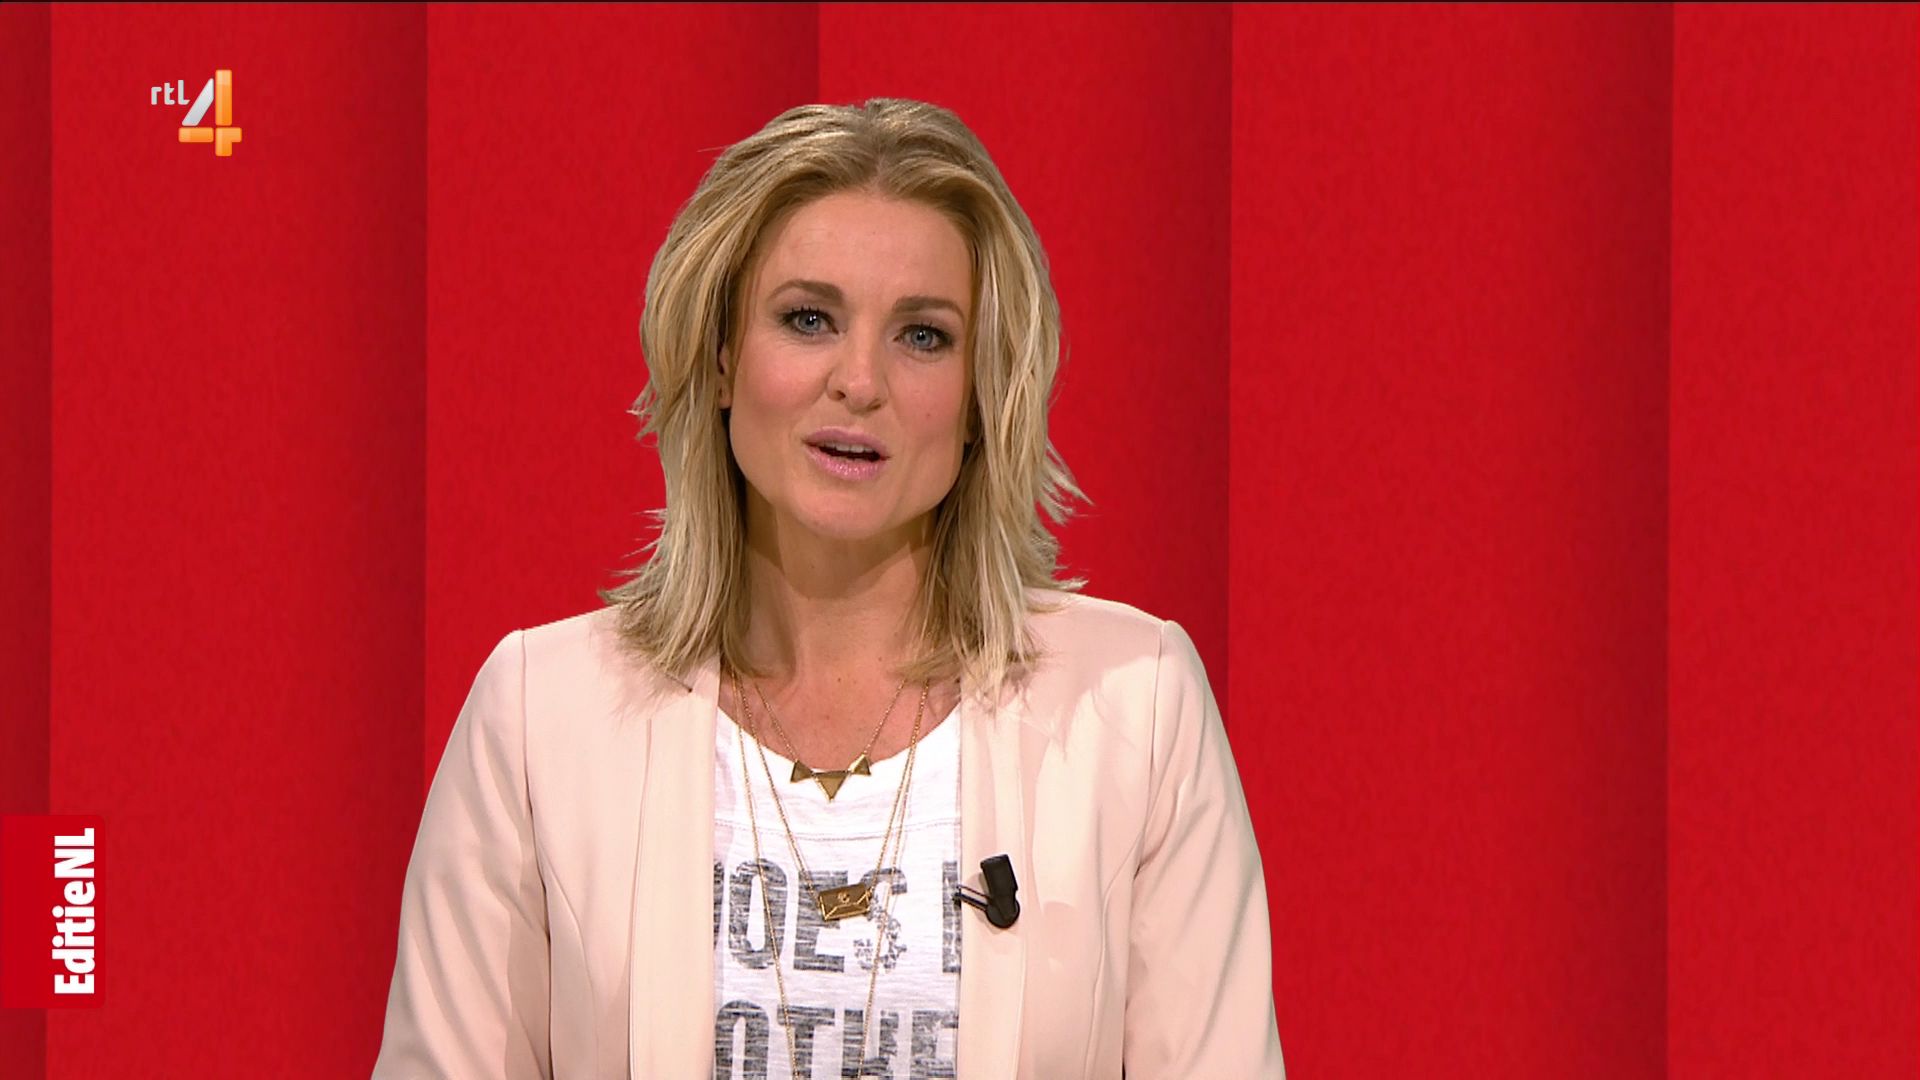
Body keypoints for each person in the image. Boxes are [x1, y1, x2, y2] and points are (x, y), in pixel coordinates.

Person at [371, 97, 1284, 1079]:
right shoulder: (539, 716)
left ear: (980, 397)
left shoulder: (1136, 705)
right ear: (723, 359)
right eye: (808, 319)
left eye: (922, 336)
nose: (860, 380)